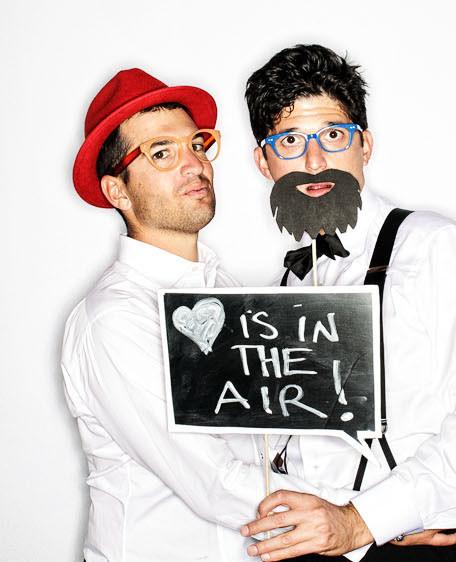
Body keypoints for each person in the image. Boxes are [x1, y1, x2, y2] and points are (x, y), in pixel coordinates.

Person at [240, 44, 456, 561]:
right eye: (289, 141)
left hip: (405, 550)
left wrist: (372, 520)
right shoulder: (285, 284)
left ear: (366, 145)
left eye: (333, 135)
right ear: (264, 162)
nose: (315, 161)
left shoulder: (435, 247)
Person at [62, 67, 359, 562]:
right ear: (118, 192)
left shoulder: (229, 295)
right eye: (162, 153)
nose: (194, 164)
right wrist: (369, 519)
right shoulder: (114, 319)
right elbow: (215, 481)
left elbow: (279, 442)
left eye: (197, 144)